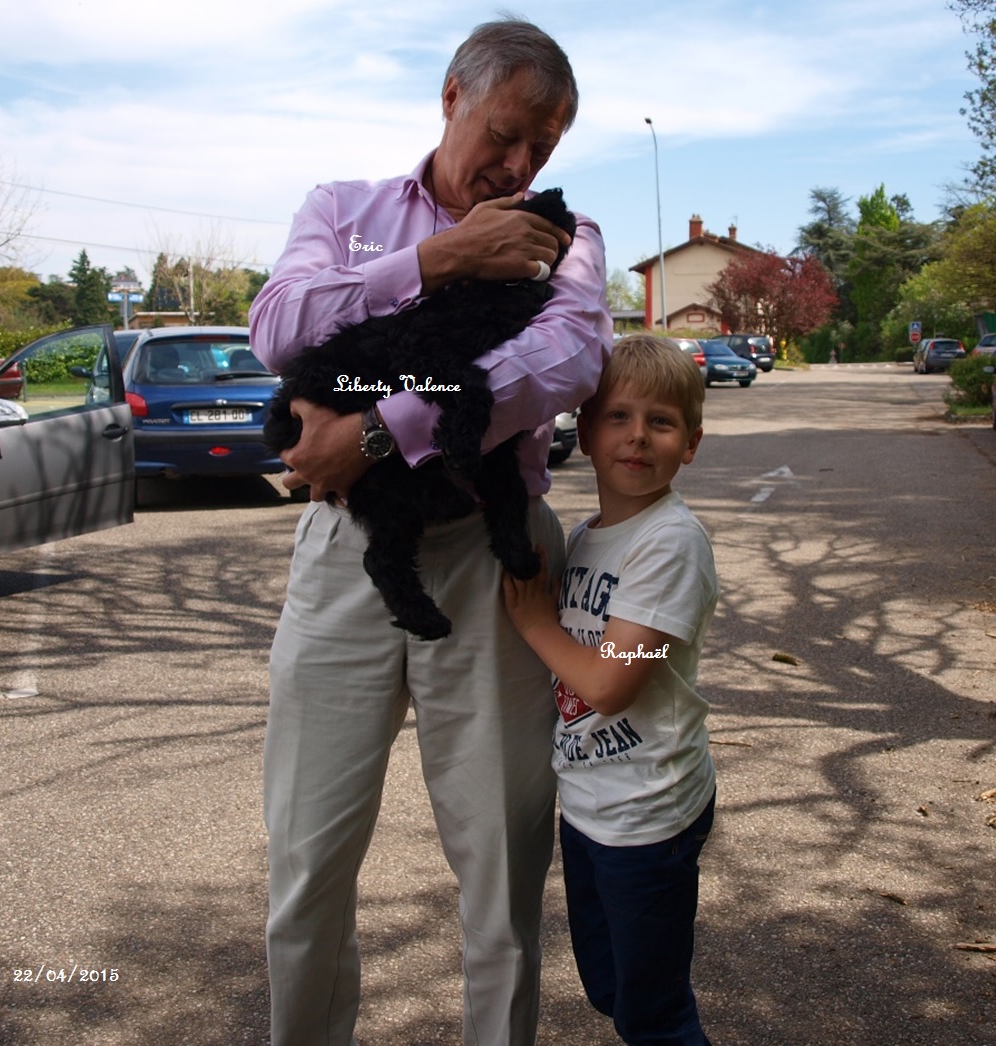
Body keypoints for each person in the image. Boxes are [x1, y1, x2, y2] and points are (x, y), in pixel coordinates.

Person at [248, 17, 611, 1046]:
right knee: (306, 857)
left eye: (541, 149)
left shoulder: (565, 236)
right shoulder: (342, 208)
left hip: (495, 556)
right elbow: (277, 326)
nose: (517, 165)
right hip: (343, 552)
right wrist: (443, 257)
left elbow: (566, 354)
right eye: (503, 134)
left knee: (499, 864)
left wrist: (375, 428)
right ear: (451, 96)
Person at [502, 334, 718, 1045]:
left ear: (689, 442)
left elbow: (612, 683)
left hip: (648, 813)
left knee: (654, 1016)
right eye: (618, 417)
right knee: (610, 987)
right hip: (591, 803)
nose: (637, 437)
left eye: (660, 422)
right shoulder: (589, 536)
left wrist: (535, 620)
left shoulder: (671, 544)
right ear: (586, 433)